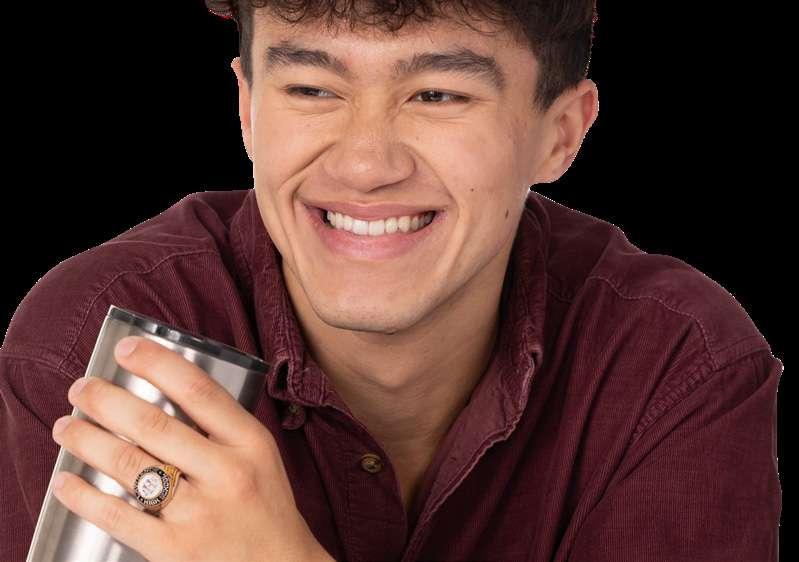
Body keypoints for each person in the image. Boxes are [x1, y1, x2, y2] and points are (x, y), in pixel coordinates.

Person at [1, 1, 782, 561]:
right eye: (311, 89)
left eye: (437, 94)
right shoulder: (97, 336)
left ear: (560, 134)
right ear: (246, 109)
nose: (364, 164)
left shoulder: (677, 367)